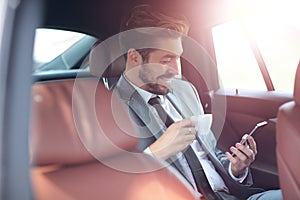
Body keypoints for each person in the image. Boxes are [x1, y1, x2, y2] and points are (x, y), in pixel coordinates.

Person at [114, 4, 282, 200]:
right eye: (166, 60)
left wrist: (235, 168)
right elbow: (112, 185)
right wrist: (155, 153)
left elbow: (210, 153)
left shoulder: (184, 90)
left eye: (178, 58)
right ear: (134, 57)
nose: (176, 71)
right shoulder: (108, 109)